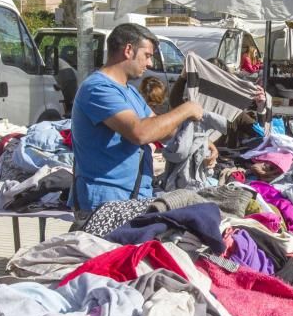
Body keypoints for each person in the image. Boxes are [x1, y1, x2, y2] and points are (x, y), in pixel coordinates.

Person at [70, 23, 205, 212]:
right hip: (106, 202)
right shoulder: (98, 88)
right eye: (147, 55)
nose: (150, 63)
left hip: (133, 197)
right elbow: (140, 132)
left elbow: (162, 132)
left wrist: (198, 140)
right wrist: (186, 109)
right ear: (128, 50)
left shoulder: (130, 92)